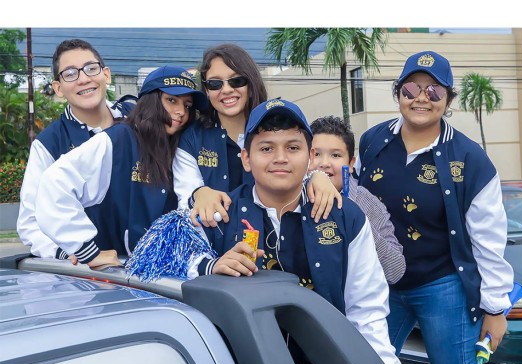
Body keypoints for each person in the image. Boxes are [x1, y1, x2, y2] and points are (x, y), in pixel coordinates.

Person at [186, 98, 403, 364]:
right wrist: (210, 267)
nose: (280, 158)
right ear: (246, 158)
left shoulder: (345, 216)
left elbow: (367, 308)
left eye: (293, 147)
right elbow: (158, 265)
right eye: (266, 148)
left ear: (310, 157)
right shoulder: (219, 215)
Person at [354, 50, 514, 364]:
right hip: (380, 285)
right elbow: (354, 202)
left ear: (449, 99)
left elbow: (488, 238)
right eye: (411, 89)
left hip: (443, 286)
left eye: (434, 91)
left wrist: (495, 309)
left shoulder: (470, 159)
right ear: (399, 93)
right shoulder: (372, 141)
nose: (421, 99)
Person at [34, 65, 208, 268]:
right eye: (171, 100)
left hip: (165, 278)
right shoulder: (118, 139)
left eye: (187, 105)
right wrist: (87, 251)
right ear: (150, 102)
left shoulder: (180, 147)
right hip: (114, 280)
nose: (181, 112)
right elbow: (54, 183)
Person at [172, 43, 340, 228]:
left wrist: (317, 176)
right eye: (215, 83)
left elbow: (298, 171)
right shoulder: (192, 138)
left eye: (236, 81)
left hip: (276, 241)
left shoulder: (277, 123)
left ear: (251, 83)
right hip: (214, 247)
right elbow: (186, 198)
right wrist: (198, 193)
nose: (226, 90)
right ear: (206, 90)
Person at [17, 38, 135, 260]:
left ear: (106, 75)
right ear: (58, 88)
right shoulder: (49, 143)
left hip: (155, 269)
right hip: (90, 276)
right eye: (70, 74)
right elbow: (30, 222)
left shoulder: (137, 117)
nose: (83, 79)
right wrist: (68, 254)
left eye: (91, 69)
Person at [310, 116, 406, 284]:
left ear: (351, 163)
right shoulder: (294, 197)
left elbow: (395, 271)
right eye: (317, 154)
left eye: (335, 155)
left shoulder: (367, 202)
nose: (324, 163)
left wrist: (356, 218)